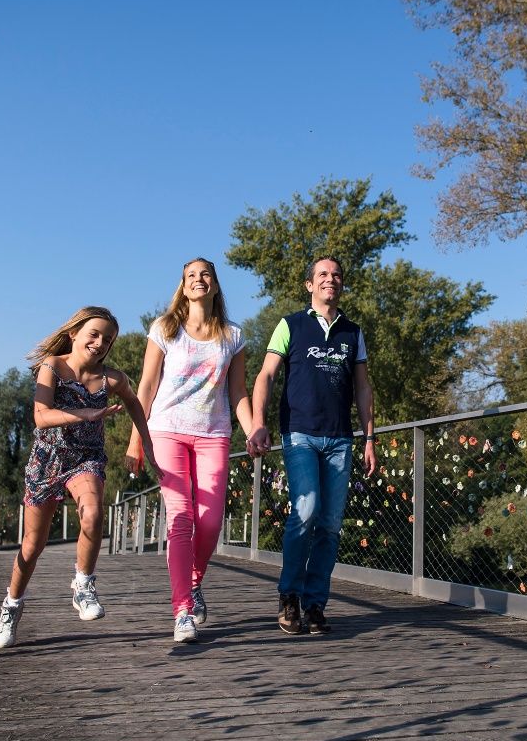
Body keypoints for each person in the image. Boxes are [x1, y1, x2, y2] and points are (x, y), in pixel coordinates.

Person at [0, 306, 158, 649]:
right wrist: (86, 413)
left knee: (93, 514)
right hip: (47, 460)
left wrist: (144, 444)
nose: (100, 343)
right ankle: (12, 605)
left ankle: (83, 585)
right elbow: (41, 416)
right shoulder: (52, 366)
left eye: (108, 339)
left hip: (86, 459)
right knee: (32, 545)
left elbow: (135, 404)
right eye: (93, 334)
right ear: (74, 334)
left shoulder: (112, 379)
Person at [248, 256, 376, 635]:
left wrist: (369, 437)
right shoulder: (290, 325)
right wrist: (258, 423)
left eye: (336, 275)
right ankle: (289, 595)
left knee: (331, 524)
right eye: (322, 274)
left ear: (342, 284)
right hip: (299, 433)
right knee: (306, 510)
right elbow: (266, 375)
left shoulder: (353, 332)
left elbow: (363, 388)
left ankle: (315, 603)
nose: (330, 279)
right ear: (310, 284)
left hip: (340, 438)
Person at [127, 258, 253, 643]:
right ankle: (182, 610)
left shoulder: (233, 336)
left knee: (210, 522)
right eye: (191, 276)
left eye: (205, 274)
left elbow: (238, 393)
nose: (199, 279)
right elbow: (146, 387)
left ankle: (194, 581)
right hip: (166, 430)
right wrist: (136, 441)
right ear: (183, 287)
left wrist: (254, 430)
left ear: (215, 284)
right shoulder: (165, 329)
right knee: (180, 517)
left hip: (213, 434)